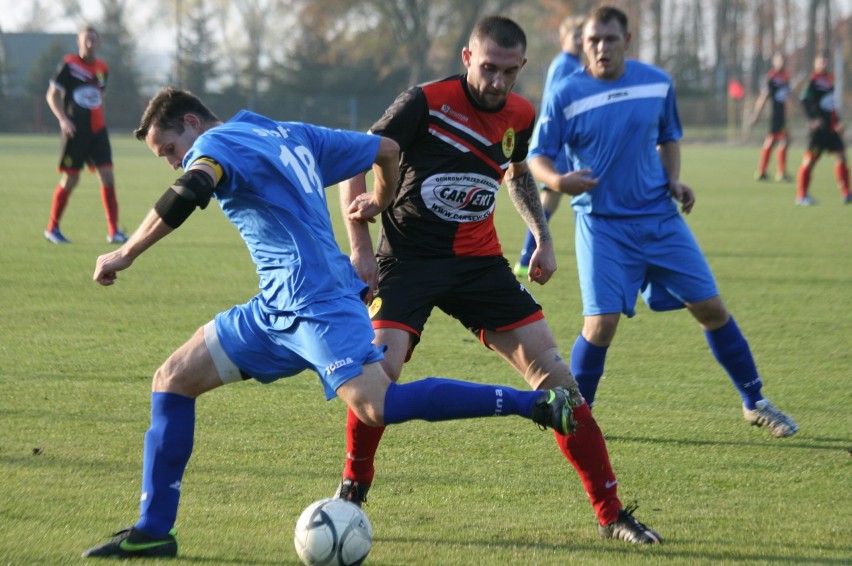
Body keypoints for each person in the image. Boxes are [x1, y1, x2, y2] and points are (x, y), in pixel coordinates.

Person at [81, 87, 578, 559]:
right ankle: (152, 533)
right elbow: (385, 149)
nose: (173, 160)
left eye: (169, 148)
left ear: (191, 122)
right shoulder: (286, 131)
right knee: (173, 379)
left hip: (316, 302)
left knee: (376, 405)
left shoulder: (213, 143)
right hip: (274, 307)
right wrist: (378, 203)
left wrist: (125, 252)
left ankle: (534, 403)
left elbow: (191, 187)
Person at [336, 16, 661, 545]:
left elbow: (516, 172)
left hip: (478, 265)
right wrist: (359, 249)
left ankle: (611, 513)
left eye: (509, 72)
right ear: (468, 58)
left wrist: (542, 236)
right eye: (488, 68)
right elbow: (355, 155)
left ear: (522, 67)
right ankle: (355, 482)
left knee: (559, 381)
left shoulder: (520, 113)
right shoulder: (424, 101)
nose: (497, 82)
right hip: (408, 263)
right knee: (378, 374)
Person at [527, 6, 798, 440]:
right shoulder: (566, 92)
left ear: (626, 42)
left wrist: (672, 179)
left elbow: (668, 135)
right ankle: (578, 418)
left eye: (609, 39)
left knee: (711, 307)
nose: (600, 47)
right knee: (600, 324)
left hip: (659, 218)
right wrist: (559, 179)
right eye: (592, 40)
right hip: (603, 225)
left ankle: (755, 400)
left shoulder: (656, 83)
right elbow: (537, 156)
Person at [513, 14, 585, 279]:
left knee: (554, 202)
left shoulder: (572, 63)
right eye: (575, 35)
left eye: (582, 35)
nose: (579, 40)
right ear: (563, 38)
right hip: (563, 146)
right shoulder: (566, 65)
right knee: (556, 200)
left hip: (565, 146)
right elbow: (559, 107)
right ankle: (526, 256)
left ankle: (526, 256)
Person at [43, 26, 127, 244]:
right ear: (78, 42)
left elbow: (99, 97)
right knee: (71, 179)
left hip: (98, 132)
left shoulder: (102, 68)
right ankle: (52, 228)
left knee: (108, 176)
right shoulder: (69, 65)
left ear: (98, 42)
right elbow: (52, 95)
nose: (90, 43)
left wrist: (101, 119)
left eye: (93, 39)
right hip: (76, 131)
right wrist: (63, 119)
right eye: (86, 39)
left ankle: (114, 231)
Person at [794, 53, 850, 206]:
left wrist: (838, 122)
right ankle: (801, 196)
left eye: (826, 62)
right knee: (810, 161)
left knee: (842, 156)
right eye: (821, 62)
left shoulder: (830, 81)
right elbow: (804, 99)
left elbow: (831, 105)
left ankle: (846, 194)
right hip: (819, 130)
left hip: (831, 129)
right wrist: (812, 119)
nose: (824, 65)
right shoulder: (813, 81)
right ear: (815, 64)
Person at [749, 52, 793, 182]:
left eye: (784, 59)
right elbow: (763, 97)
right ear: (774, 61)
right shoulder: (771, 77)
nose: (782, 62)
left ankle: (767, 171)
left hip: (782, 114)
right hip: (774, 114)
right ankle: (773, 172)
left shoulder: (786, 78)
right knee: (776, 140)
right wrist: (756, 114)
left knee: (780, 140)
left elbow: (788, 97)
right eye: (780, 59)